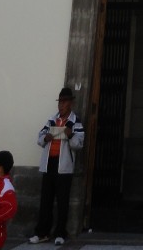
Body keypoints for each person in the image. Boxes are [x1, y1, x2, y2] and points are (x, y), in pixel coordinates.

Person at [30, 87, 85, 246]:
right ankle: (42, 233)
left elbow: (79, 144)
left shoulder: (75, 122)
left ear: (70, 103)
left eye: (64, 102)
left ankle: (60, 233)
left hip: (64, 166)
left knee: (62, 201)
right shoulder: (51, 120)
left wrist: (70, 134)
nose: (61, 105)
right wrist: (45, 138)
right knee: (45, 200)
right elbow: (40, 138)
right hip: (49, 164)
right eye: (60, 102)